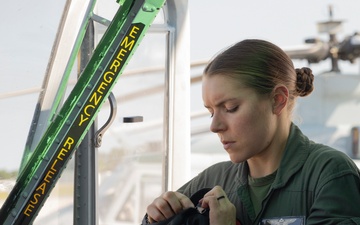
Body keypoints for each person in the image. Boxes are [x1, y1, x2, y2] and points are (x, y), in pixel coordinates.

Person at [144, 39, 360, 225]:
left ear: (277, 100)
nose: (214, 126)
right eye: (211, 112)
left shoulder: (329, 174)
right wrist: (156, 216)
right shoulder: (213, 179)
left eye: (230, 108)